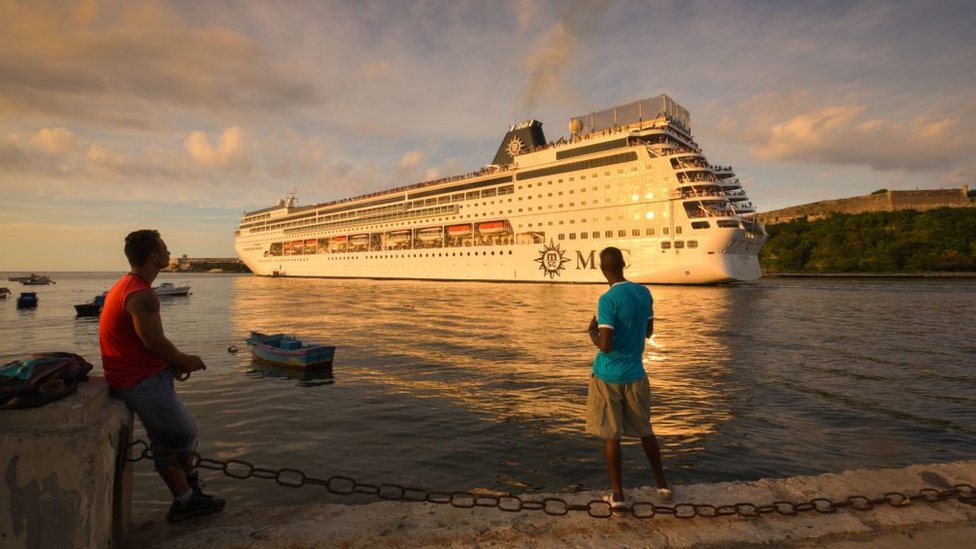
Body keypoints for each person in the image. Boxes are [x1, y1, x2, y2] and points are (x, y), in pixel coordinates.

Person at [99, 229, 225, 523]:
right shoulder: (142, 295)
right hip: (138, 380)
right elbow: (153, 341)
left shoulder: (127, 285)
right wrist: (185, 360)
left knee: (164, 440)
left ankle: (186, 499)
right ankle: (189, 494)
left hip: (140, 374)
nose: (170, 254)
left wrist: (169, 364)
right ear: (154, 256)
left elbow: (146, 343)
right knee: (185, 431)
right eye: (166, 250)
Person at [586, 246, 670, 509]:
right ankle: (662, 485)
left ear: (602, 269)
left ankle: (618, 495)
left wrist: (591, 332)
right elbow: (647, 332)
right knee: (646, 431)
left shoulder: (607, 300)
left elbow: (606, 345)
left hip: (608, 376)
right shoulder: (644, 292)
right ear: (624, 264)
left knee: (612, 436)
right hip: (636, 374)